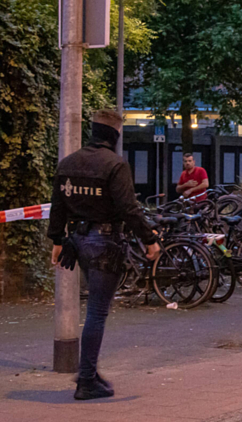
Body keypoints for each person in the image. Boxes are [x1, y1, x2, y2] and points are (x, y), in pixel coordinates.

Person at [48, 110, 161, 401]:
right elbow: (128, 208)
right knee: (97, 311)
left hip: (77, 242)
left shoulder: (68, 163)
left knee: (95, 309)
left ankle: (90, 372)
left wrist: (57, 240)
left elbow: (57, 205)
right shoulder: (115, 165)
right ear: (114, 136)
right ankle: (86, 380)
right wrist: (149, 239)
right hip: (105, 241)